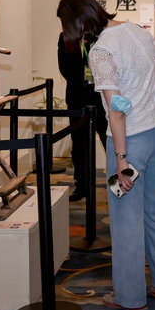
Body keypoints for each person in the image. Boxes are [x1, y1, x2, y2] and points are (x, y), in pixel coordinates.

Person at [57, 0, 155, 310]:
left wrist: (120, 159)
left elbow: (116, 111)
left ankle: (129, 297)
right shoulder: (136, 30)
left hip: (131, 140)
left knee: (126, 219)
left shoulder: (101, 50)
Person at [56, 33, 108, 201]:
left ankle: (118, 182)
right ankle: (81, 186)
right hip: (77, 98)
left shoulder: (101, 35)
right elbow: (65, 68)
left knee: (110, 141)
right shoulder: (66, 38)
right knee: (79, 145)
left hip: (102, 98)